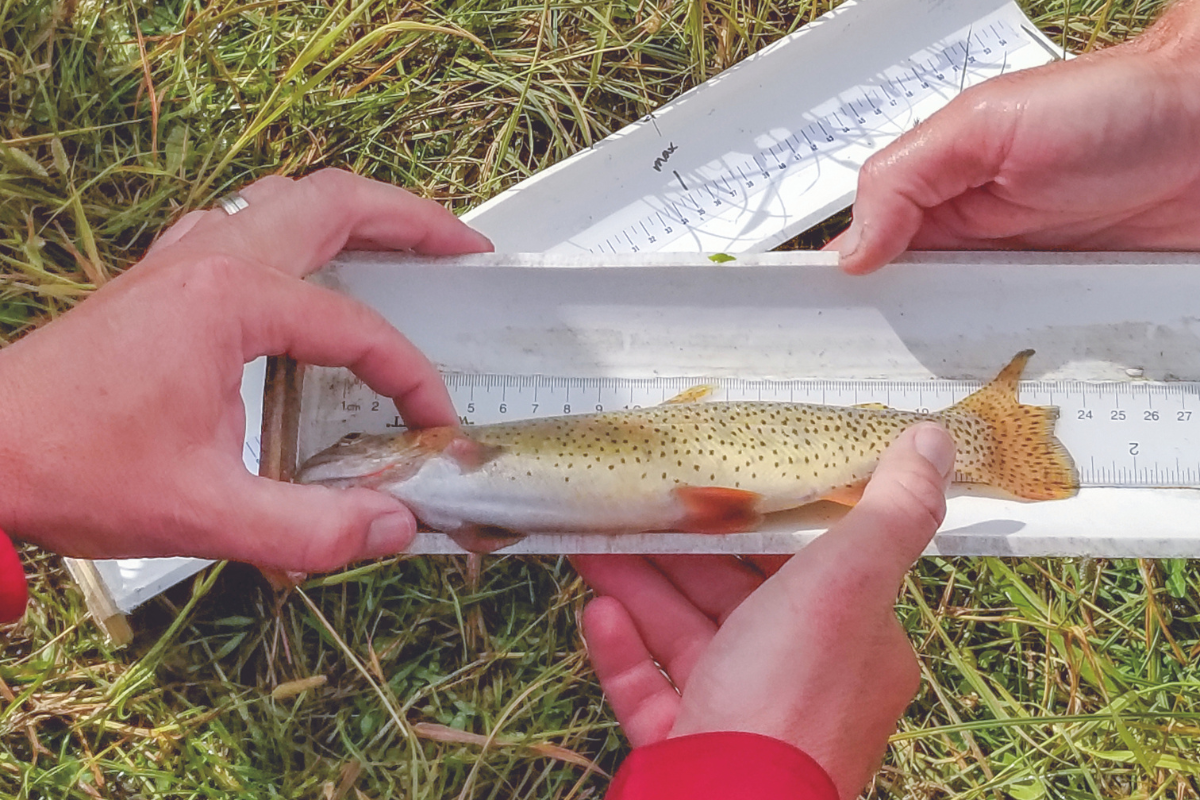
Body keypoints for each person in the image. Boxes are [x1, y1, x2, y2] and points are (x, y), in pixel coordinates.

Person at [1, 0, 1197, 795]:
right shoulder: (458, 469)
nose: (358, 460)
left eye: (373, 445)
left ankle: (982, 434)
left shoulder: (456, 458)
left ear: (422, 441)